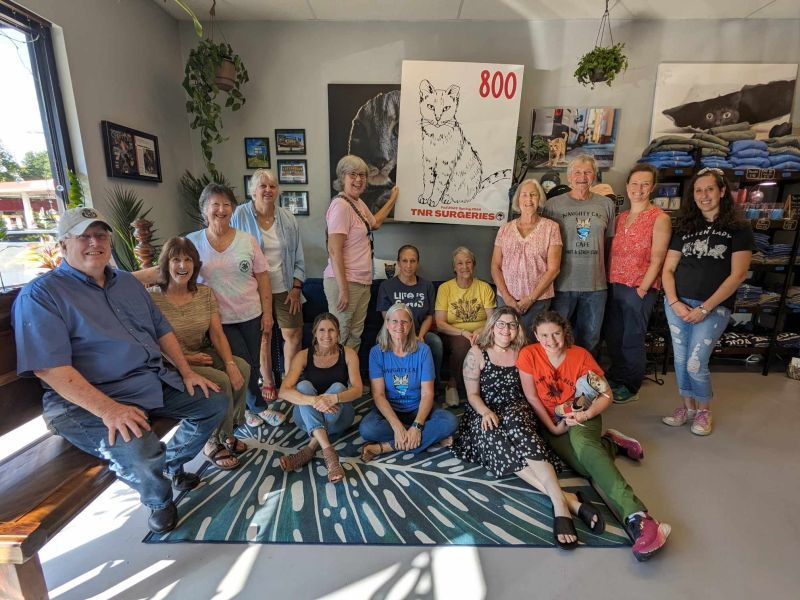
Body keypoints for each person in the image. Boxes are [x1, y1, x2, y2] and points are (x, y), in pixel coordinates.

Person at [12, 208, 227, 533]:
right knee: (141, 448)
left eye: (101, 235)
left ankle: (169, 464)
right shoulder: (42, 295)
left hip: (148, 381)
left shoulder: (127, 282)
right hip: (85, 403)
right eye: (84, 236)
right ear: (62, 245)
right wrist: (109, 409)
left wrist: (186, 371)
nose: (94, 242)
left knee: (213, 402)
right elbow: (49, 369)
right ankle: (159, 499)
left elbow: (161, 330)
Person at [517, 311, 671, 562]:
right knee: (582, 465)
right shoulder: (529, 355)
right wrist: (554, 428)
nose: (550, 340)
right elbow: (532, 397)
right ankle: (611, 443)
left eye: (555, 333)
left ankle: (639, 518)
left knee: (586, 449)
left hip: (582, 415)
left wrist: (585, 415)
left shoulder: (580, 356)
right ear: (536, 335)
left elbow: (606, 394)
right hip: (551, 420)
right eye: (544, 335)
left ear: (564, 332)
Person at [452, 307, 604, 549]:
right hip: (484, 409)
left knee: (522, 433)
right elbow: (472, 395)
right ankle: (567, 502)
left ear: (518, 328)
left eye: (511, 325)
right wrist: (485, 411)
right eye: (501, 324)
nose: (506, 329)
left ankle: (562, 505)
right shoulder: (477, 353)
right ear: (492, 326)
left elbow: (535, 389)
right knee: (494, 438)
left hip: (516, 406)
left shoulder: (523, 352)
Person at [661, 167, 754, 436]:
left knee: (695, 361)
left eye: (709, 189)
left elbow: (737, 276)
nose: (704, 195)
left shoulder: (739, 229)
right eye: (698, 190)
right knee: (680, 360)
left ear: (722, 192)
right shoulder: (685, 226)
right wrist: (675, 301)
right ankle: (687, 408)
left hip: (713, 307)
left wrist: (705, 308)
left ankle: (703, 412)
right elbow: (668, 269)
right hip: (677, 304)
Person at [148, 236, 251, 470]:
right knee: (221, 380)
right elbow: (150, 342)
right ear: (165, 264)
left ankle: (227, 431)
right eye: (175, 260)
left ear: (195, 265)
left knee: (241, 367)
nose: (182, 266)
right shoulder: (153, 296)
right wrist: (185, 358)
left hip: (200, 352)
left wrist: (230, 363)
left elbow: (216, 334)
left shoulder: (204, 293)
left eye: (188, 260)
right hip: (171, 362)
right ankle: (213, 442)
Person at [185, 183, 283, 429]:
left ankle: (249, 407)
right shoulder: (192, 242)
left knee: (254, 364)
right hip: (217, 319)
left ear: (233, 209)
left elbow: (262, 277)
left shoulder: (247, 240)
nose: (221, 209)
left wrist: (268, 313)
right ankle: (257, 407)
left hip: (251, 313)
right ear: (205, 209)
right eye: (215, 204)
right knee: (243, 363)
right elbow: (175, 273)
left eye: (226, 204)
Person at [231, 169, 306, 399]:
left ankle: (289, 381)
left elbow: (298, 256)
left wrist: (296, 287)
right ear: (253, 191)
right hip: (253, 288)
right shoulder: (239, 215)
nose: (268, 190)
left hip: (285, 286)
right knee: (264, 334)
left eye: (272, 186)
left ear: (277, 191)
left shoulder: (288, 219)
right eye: (262, 186)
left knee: (293, 333)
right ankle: (269, 380)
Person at [603, 164, 672, 403]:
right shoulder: (621, 218)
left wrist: (643, 289)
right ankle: (618, 375)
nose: (639, 189)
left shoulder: (659, 218)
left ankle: (631, 386)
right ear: (627, 186)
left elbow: (658, 258)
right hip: (615, 285)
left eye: (644, 184)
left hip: (638, 288)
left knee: (632, 337)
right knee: (614, 336)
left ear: (652, 187)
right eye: (635, 184)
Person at [359, 303, 458, 461]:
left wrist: (417, 425)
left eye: (404, 321)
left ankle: (385, 447)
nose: (399, 326)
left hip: (419, 409)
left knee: (450, 421)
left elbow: (427, 393)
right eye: (394, 321)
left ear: (411, 324)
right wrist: (397, 426)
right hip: (390, 411)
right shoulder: (376, 353)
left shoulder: (423, 350)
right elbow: (378, 395)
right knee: (367, 429)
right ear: (387, 323)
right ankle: (429, 437)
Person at [543, 154, 616, 356]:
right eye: (577, 172)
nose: (582, 176)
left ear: (594, 176)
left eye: (587, 172)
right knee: (556, 338)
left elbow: (609, 243)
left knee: (591, 338)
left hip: (595, 286)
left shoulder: (606, 205)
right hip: (562, 285)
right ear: (569, 177)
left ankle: (585, 383)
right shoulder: (552, 206)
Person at [324, 155, 399, 350]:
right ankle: (335, 380)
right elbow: (334, 250)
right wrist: (343, 289)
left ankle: (350, 380)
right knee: (339, 335)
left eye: (363, 175)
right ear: (342, 177)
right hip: (346, 281)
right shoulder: (341, 206)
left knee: (355, 336)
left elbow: (375, 223)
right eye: (353, 175)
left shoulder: (356, 202)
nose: (359, 179)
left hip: (362, 281)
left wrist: (392, 199)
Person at [278, 313, 363, 483]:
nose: (327, 335)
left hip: (340, 418)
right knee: (303, 387)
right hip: (305, 419)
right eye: (322, 330)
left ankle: (310, 448)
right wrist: (314, 400)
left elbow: (358, 390)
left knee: (338, 387)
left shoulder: (349, 353)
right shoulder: (303, 355)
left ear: (338, 333)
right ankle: (329, 454)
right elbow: (283, 391)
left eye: (331, 330)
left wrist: (334, 398)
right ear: (315, 333)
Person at [492, 178, 562, 333]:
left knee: (531, 344)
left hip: (538, 301)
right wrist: (507, 297)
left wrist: (531, 298)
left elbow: (554, 269)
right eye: (524, 195)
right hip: (506, 299)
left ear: (540, 198)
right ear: (518, 199)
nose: (528, 199)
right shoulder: (504, 230)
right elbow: (495, 266)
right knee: (505, 342)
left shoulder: (551, 228)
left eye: (533, 195)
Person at [435, 246, 496, 406]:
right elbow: (440, 323)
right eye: (460, 263)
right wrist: (463, 332)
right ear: (454, 267)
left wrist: (479, 330)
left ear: (473, 265)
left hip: (482, 332)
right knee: (463, 345)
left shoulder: (484, 288)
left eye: (468, 262)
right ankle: (453, 384)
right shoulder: (445, 288)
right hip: (452, 333)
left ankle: (484, 388)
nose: (464, 267)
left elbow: (492, 319)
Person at [377, 245, 442, 390]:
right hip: (394, 332)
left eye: (412, 261)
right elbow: (386, 317)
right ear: (398, 263)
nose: (408, 265)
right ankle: (389, 389)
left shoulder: (427, 286)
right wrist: (402, 336)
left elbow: (429, 316)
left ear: (418, 263)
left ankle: (434, 387)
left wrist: (420, 336)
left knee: (435, 342)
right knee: (381, 345)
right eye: (404, 261)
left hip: (420, 332)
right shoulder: (386, 286)